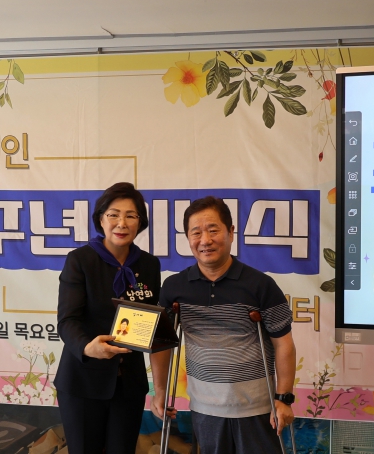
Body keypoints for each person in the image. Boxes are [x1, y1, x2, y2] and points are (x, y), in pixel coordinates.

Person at [151, 196, 296, 454]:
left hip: (256, 408)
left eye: (213, 230)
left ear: (231, 232)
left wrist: (283, 398)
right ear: (188, 238)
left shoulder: (260, 285)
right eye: (196, 232)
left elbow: (283, 344)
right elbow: (162, 343)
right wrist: (160, 391)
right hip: (205, 408)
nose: (205, 240)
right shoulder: (174, 288)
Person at [54, 182, 170, 454]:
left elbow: (152, 325)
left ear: (140, 222)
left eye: (131, 215)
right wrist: (88, 347)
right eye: (113, 214)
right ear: (101, 219)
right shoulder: (80, 260)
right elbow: (67, 321)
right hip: (82, 382)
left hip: (129, 385)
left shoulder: (149, 264)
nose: (122, 223)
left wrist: (161, 388)